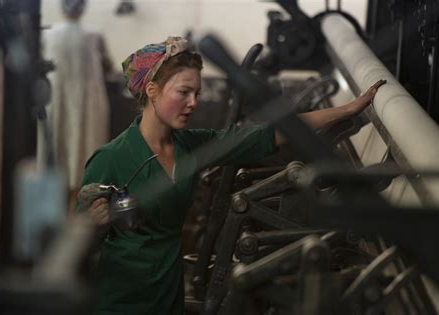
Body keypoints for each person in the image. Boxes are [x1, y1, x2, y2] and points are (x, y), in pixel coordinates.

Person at [78, 36, 385, 314]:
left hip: (167, 290)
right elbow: (75, 248)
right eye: (183, 92)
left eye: (197, 93)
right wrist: (92, 226)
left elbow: (267, 134)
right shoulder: (111, 158)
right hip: (122, 297)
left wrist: (346, 110)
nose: (194, 103)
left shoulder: (190, 145)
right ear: (152, 90)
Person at [38, 0, 112, 212]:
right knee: (82, 147)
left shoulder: (48, 34)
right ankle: (74, 205)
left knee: (56, 147)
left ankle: (56, 207)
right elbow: (108, 65)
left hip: (56, 102)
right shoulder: (93, 35)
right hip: (85, 105)